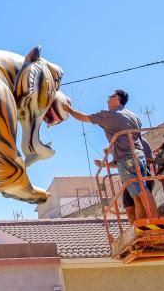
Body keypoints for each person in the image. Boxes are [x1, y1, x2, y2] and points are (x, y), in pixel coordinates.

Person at [64, 90, 153, 224]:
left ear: (117, 99)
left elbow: (83, 118)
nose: (107, 99)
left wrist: (68, 109)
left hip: (128, 158)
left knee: (141, 192)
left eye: (110, 97)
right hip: (136, 156)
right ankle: (142, 227)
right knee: (137, 196)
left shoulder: (110, 115)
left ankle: (155, 220)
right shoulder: (133, 116)